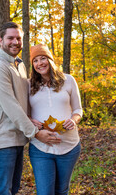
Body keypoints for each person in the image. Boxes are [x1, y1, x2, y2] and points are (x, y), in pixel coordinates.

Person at [0, 22, 61, 195]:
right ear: (1, 40)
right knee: (3, 191)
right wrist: (35, 132)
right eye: (10, 38)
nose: (15, 42)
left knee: (13, 189)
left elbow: (23, 100)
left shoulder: (20, 64)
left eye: (18, 38)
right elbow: (11, 106)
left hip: (16, 139)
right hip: (1, 141)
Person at [29, 43, 83, 195]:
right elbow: (23, 113)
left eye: (43, 58)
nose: (40, 63)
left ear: (50, 60)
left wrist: (74, 120)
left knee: (62, 190)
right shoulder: (28, 85)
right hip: (40, 148)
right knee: (45, 192)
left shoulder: (69, 80)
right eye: (35, 60)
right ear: (33, 65)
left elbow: (78, 109)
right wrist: (30, 120)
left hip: (69, 147)